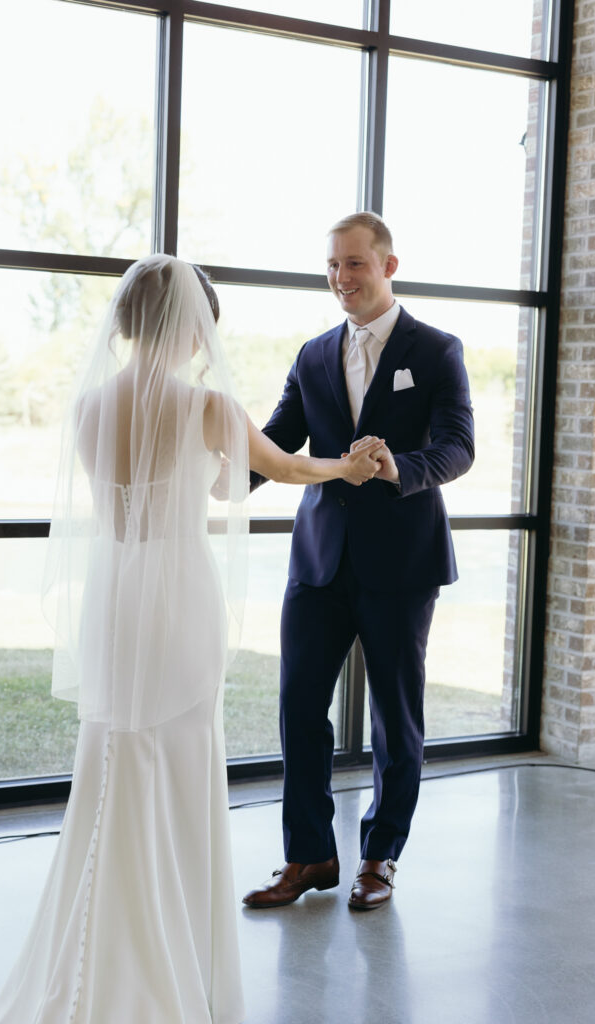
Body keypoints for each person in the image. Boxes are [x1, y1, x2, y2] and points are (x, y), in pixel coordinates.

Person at [0, 254, 384, 1024]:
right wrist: (350, 467)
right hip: (177, 596)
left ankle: (102, 943)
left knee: (114, 753)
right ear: (192, 324)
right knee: (178, 751)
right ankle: (168, 960)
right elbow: (282, 470)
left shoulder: (90, 403)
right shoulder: (205, 403)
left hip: (117, 591)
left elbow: (212, 482)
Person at [243, 212, 475, 912]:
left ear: (387, 266)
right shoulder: (313, 354)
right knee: (295, 708)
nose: (341, 279)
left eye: (354, 265)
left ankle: (379, 858)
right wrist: (201, 486)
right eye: (333, 267)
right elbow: (278, 446)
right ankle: (309, 854)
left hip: (401, 564)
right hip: (317, 561)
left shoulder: (435, 349)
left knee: (393, 717)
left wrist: (390, 468)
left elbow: (457, 448)